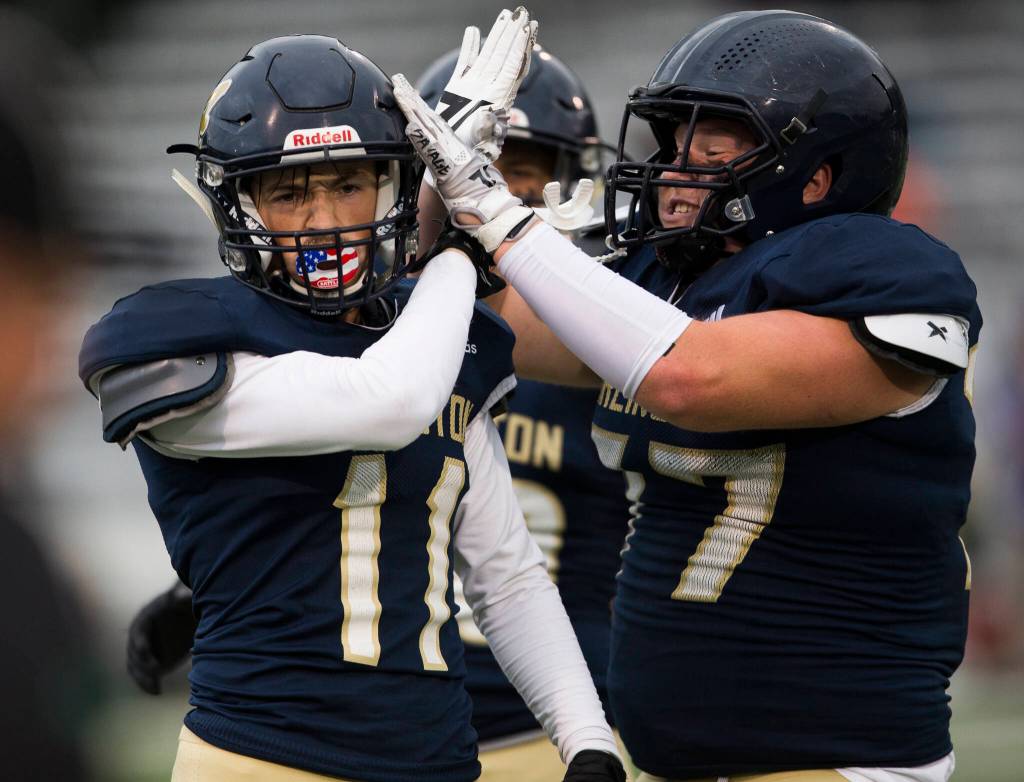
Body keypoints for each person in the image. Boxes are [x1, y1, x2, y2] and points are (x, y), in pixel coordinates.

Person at [398, 8, 980, 782]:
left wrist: (500, 212)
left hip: (842, 756)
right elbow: (463, 305)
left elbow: (686, 376)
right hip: (688, 757)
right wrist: (448, 184)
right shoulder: (674, 281)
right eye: (674, 145)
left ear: (815, 178)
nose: (674, 171)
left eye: (710, 152)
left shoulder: (885, 273)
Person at [79, 19, 625, 782]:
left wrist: (585, 738)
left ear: (395, 186)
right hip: (263, 762)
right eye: (289, 191)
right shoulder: (171, 334)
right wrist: (461, 250)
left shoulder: (437, 340)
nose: (324, 221)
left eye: (347, 184)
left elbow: (505, 575)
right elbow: (389, 400)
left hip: (439, 760)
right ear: (237, 204)